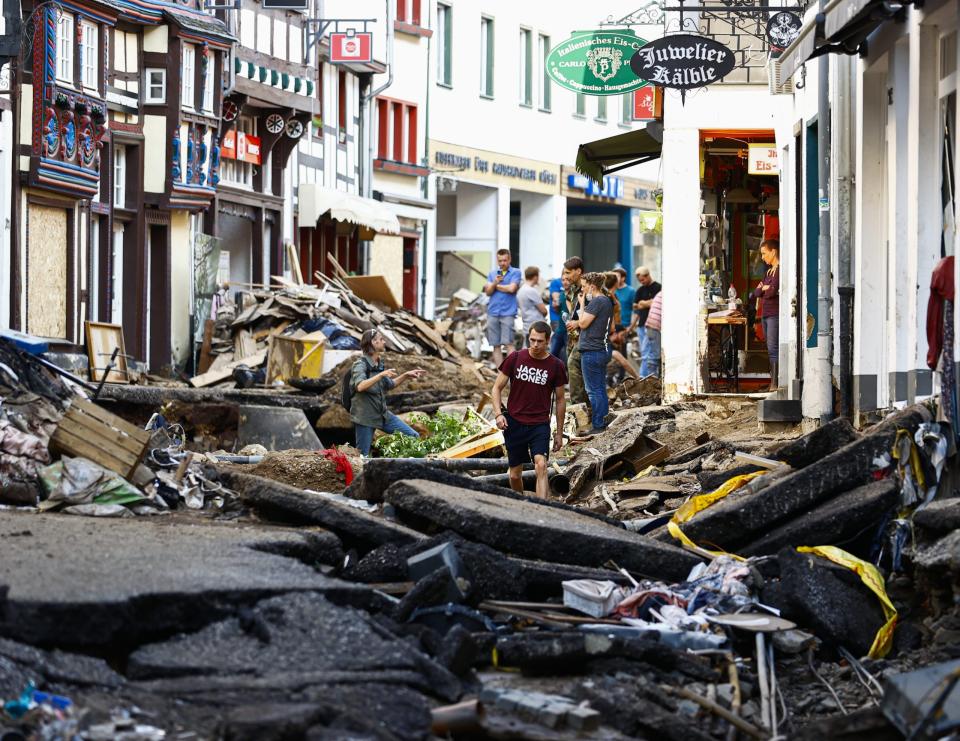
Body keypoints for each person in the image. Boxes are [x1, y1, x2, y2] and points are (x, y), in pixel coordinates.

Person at [492, 321, 568, 499]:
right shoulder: (516, 358)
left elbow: (561, 399)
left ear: (548, 340)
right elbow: (496, 388)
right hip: (515, 422)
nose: (535, 345)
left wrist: (559, 433)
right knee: (514, 474)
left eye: (539, 341)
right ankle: (520, 506)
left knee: (541, 465)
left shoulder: (556, 365)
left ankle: (542, 509)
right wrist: (497, 414)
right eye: (532, 340)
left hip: (539, 424)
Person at [350, 329, 426, 455]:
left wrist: (406, 375)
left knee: (413, 436)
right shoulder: (360, 365)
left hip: (382, 415)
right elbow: (360, 386)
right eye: (381, 339)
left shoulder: (379, 364)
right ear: (373, 343)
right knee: (362, 456)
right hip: (365, 418)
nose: (384, 342)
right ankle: (361, 475)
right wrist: (380, 375)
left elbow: (390, 384)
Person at [567, 272, 614, 434]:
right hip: (600, 349)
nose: (582, 288)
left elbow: (583, 323)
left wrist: (581, 304)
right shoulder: (606, 301)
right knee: (599, 388)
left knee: (593, 390)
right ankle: (602, 421)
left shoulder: (596, 302)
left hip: (592, 350)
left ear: (592, 286)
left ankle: (599, 424)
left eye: (585, 285)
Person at [483, 248, 522, 368]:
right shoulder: (492, 274)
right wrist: (494, 283)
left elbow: (512, 289)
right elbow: (488, 293)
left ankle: (511, 372)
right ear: (497, 260)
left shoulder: (516, 272)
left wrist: (495, 286)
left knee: (509, 343)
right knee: (495, 345)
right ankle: (501, 373)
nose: (502, 263)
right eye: (500, 261)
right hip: (492, 312)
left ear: (509, 259)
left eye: (505, 260)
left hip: (508, 313)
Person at [751, 239, 780, 391]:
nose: (762, 257)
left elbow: (771, 292)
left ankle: (775, 384)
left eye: (764, 254)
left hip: (775, 314)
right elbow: (756, 293)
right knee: (769, 348)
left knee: (773, 347)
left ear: (773, 252)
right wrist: (765, 288)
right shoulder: (768, 272)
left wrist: (766, 288)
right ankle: (772, 382)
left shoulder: (779, 270)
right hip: (765, 314)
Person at [602, 271, 640, 382]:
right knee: (619, 359)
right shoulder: (607, 298)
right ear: (615, 283)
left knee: (621, 358)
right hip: (609, 334)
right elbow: (608, 319)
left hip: (615, 331)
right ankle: (637, 379)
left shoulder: (613, 296)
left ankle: (628, 379)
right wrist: (613, 333)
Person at [561, 257, 587, 406]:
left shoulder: (589, 287)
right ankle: (582, 405)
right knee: (574, 371)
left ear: (578, 271)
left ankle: (578, 405)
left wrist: (578, 323)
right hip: (573, 336)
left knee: (573, 365)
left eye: (568, 273)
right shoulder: (571, 289)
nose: (566, 277)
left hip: (586, 335)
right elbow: (572, 308)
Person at [629, 267, 661, 377]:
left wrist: (643, 303)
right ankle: (646, 377)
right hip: (642, 325)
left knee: (650, 352)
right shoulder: (640, 290)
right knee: (644, 352)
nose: (641, 282)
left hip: (655, 326)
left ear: (648, 275)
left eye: (642, 280)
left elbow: (655, 302)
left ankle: (646, 377)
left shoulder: (658, 287)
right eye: (640, 281)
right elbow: (635, 306)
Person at [517, 266, 548, 341]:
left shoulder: (521, 290)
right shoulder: (531, 291)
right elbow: (543, 310)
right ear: (535, 277)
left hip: (526, 325)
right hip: (536, 326)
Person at [549, 273, 570, 364]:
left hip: (569, 331)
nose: (565, 282)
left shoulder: (575, 294)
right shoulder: (561, 294)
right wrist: (556, 307)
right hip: (560, 329)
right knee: (551, 355)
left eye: (567, 280)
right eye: (563, 280)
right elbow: (559, 312)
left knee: (568, 358)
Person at [643, 291, 663, 379]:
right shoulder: (667, 295)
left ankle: (652, 378)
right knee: (655, 356)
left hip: (650, 326)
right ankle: (652, 380)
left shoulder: (660, 293)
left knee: (652, 354)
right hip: (655, 326)